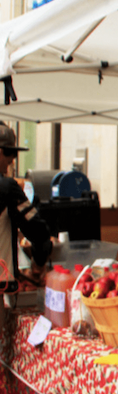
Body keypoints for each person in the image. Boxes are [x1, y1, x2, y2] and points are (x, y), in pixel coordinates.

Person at [0, 125, 52, 291]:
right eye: (10, 153)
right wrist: (37, 265)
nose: (13, 159)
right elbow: (38, 231)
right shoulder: (7, 188)